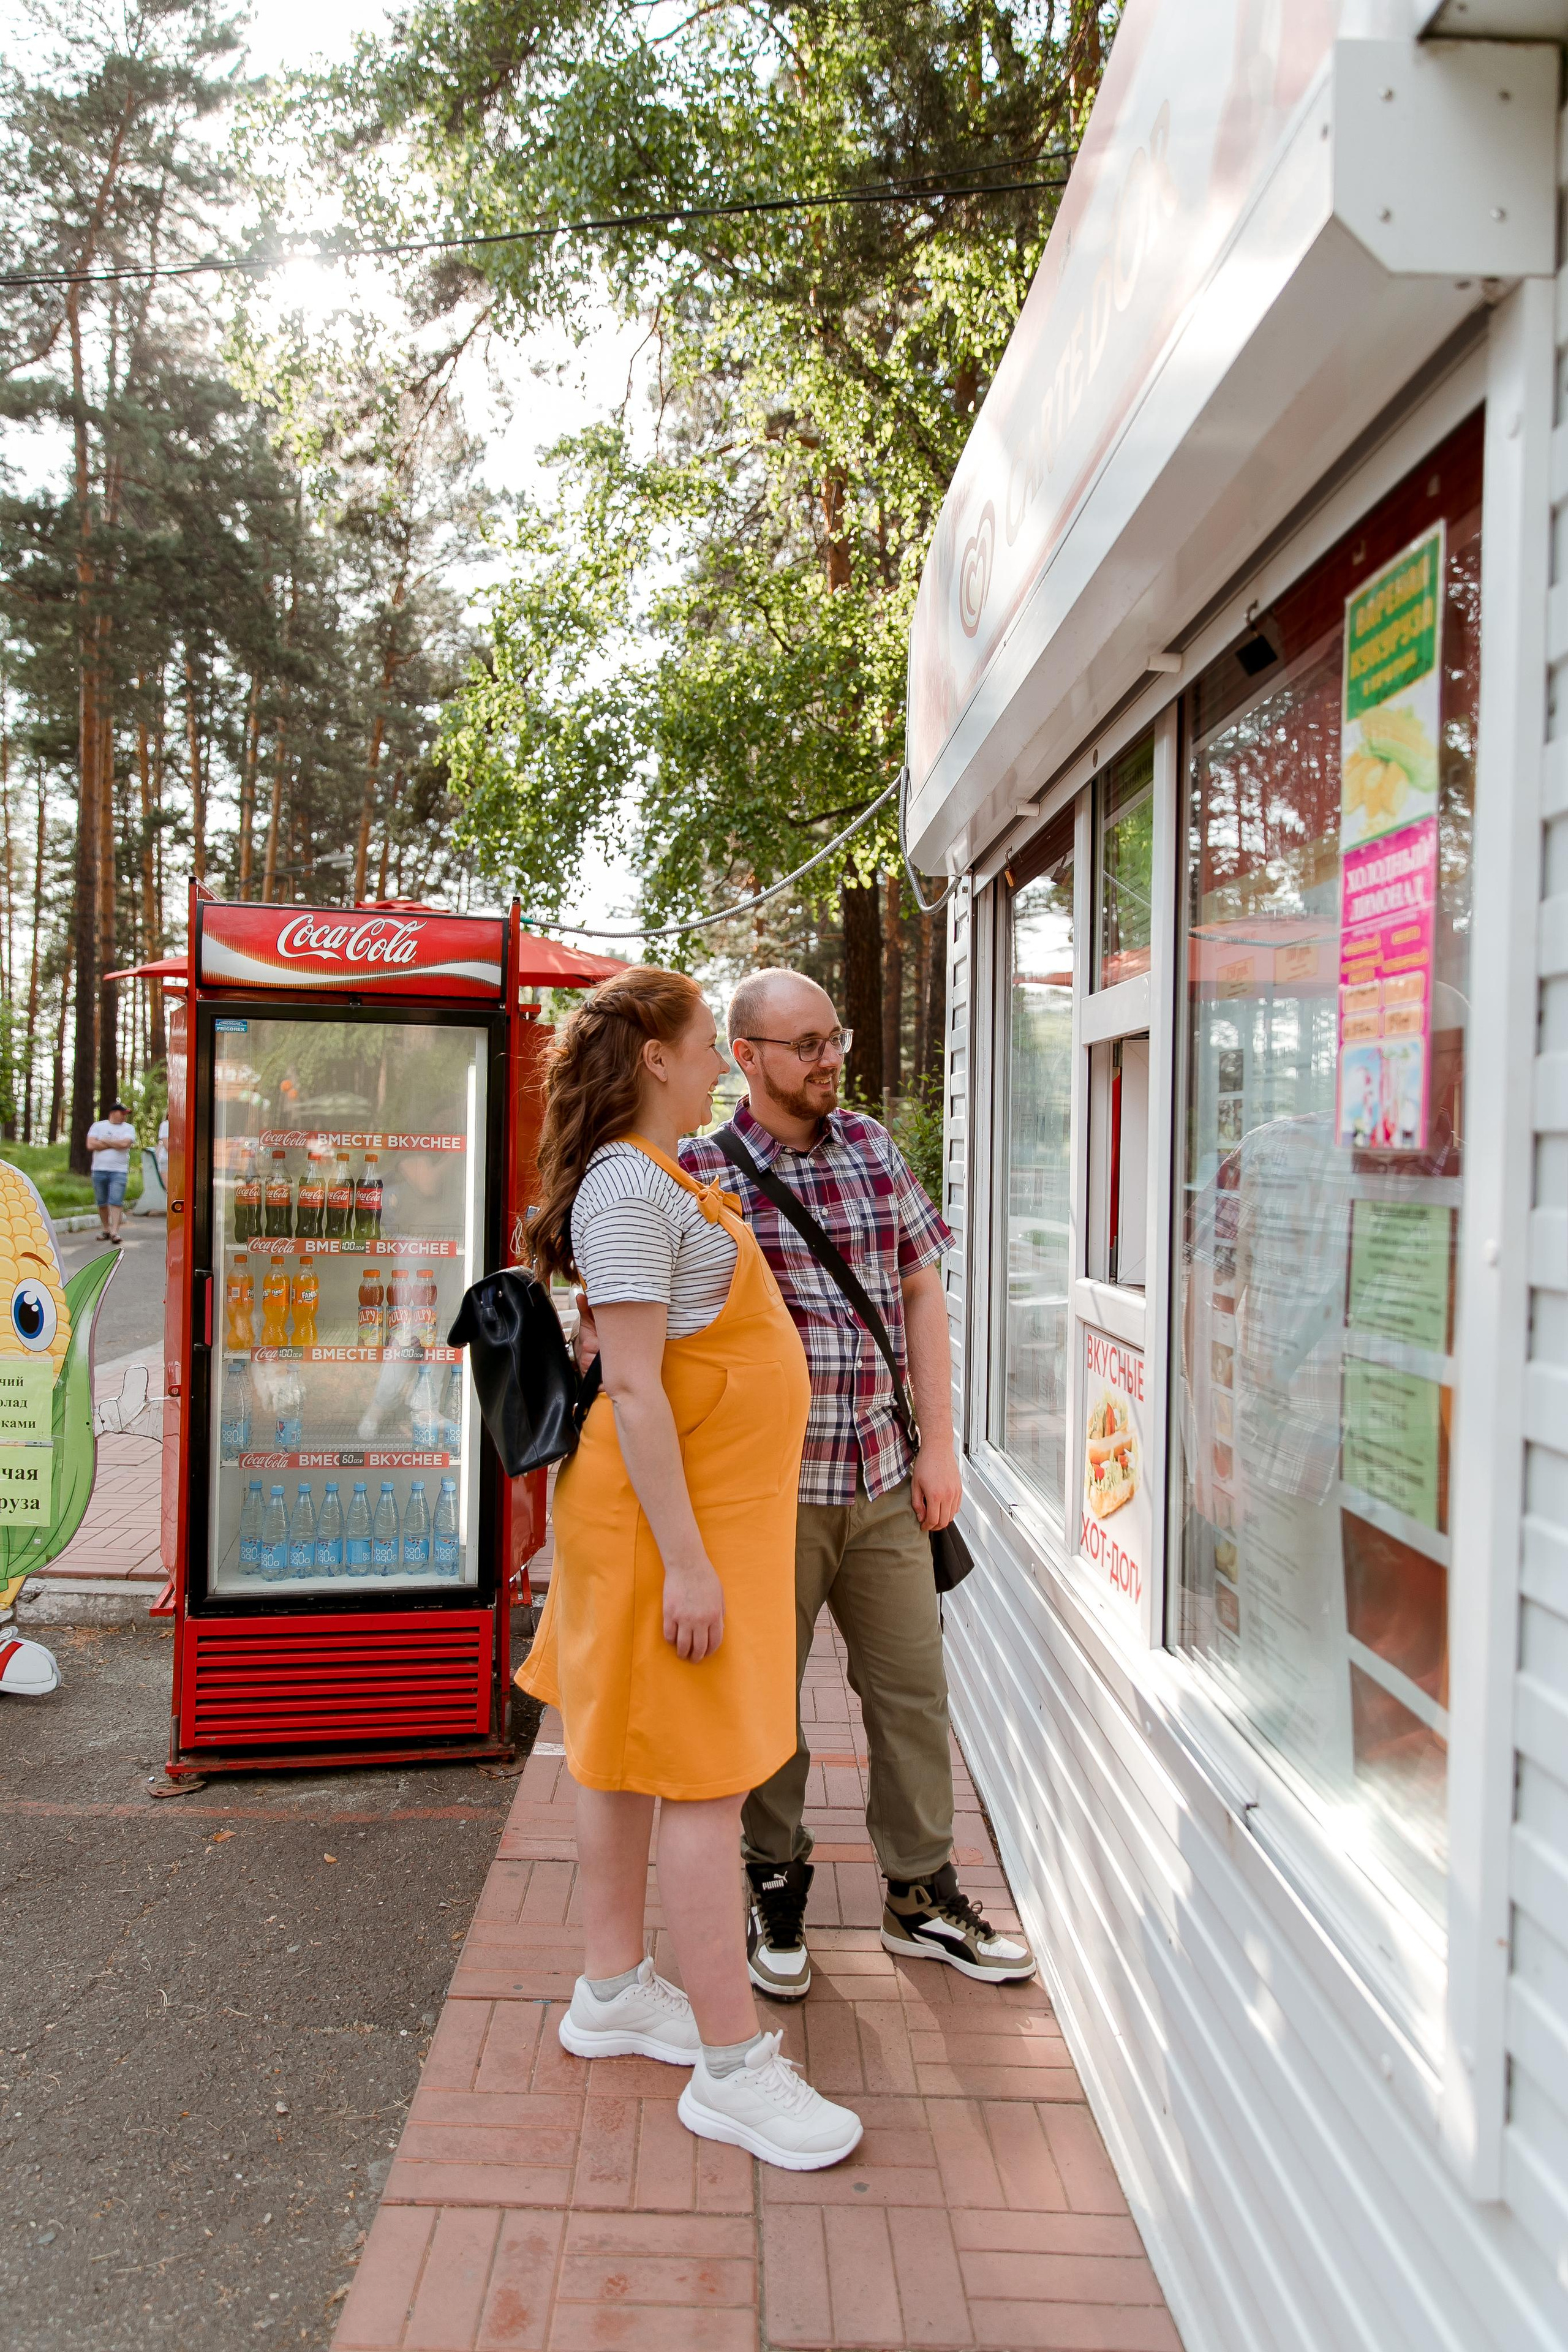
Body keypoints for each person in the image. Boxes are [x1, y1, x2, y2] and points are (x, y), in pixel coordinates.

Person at [515, 964, 863, 2172]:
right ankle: (730, 2066)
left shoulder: (658, 1183)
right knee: (705, 1793)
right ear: (654, 1058)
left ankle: (612, 1992)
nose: (718, 1061)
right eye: (709, 1041)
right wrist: (687, 1569)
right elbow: (640, 1394)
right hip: (666, 1534)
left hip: (681, 1527)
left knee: (618, 1762)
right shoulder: (626, 1189)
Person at [681, 969, 1036, 1998]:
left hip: (883, 1478)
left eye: (834, 1038)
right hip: (765, 1498)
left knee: (913, 1695)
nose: (831, 1057)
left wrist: (940, 1448)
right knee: (767, 1705)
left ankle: (919, 1895)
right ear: (746, 1058)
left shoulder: (874, 1147)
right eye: (805, 1044)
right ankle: (774, 1881)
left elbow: (921, 1292)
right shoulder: (707, 1173)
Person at [85, 1100, 138, 1246]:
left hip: (119, 1171)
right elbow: (91, 1144)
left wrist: (105, 1142)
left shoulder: (128, 1128)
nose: (124, 1117)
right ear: (114, 1113)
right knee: (102, 1201)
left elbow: (125, 1144)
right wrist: (115, 1144)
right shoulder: (98, 1126)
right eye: (122, 1114)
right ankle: (106, 1229)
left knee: (116, 1200)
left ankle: (115, 1231)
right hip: (99, 1169)